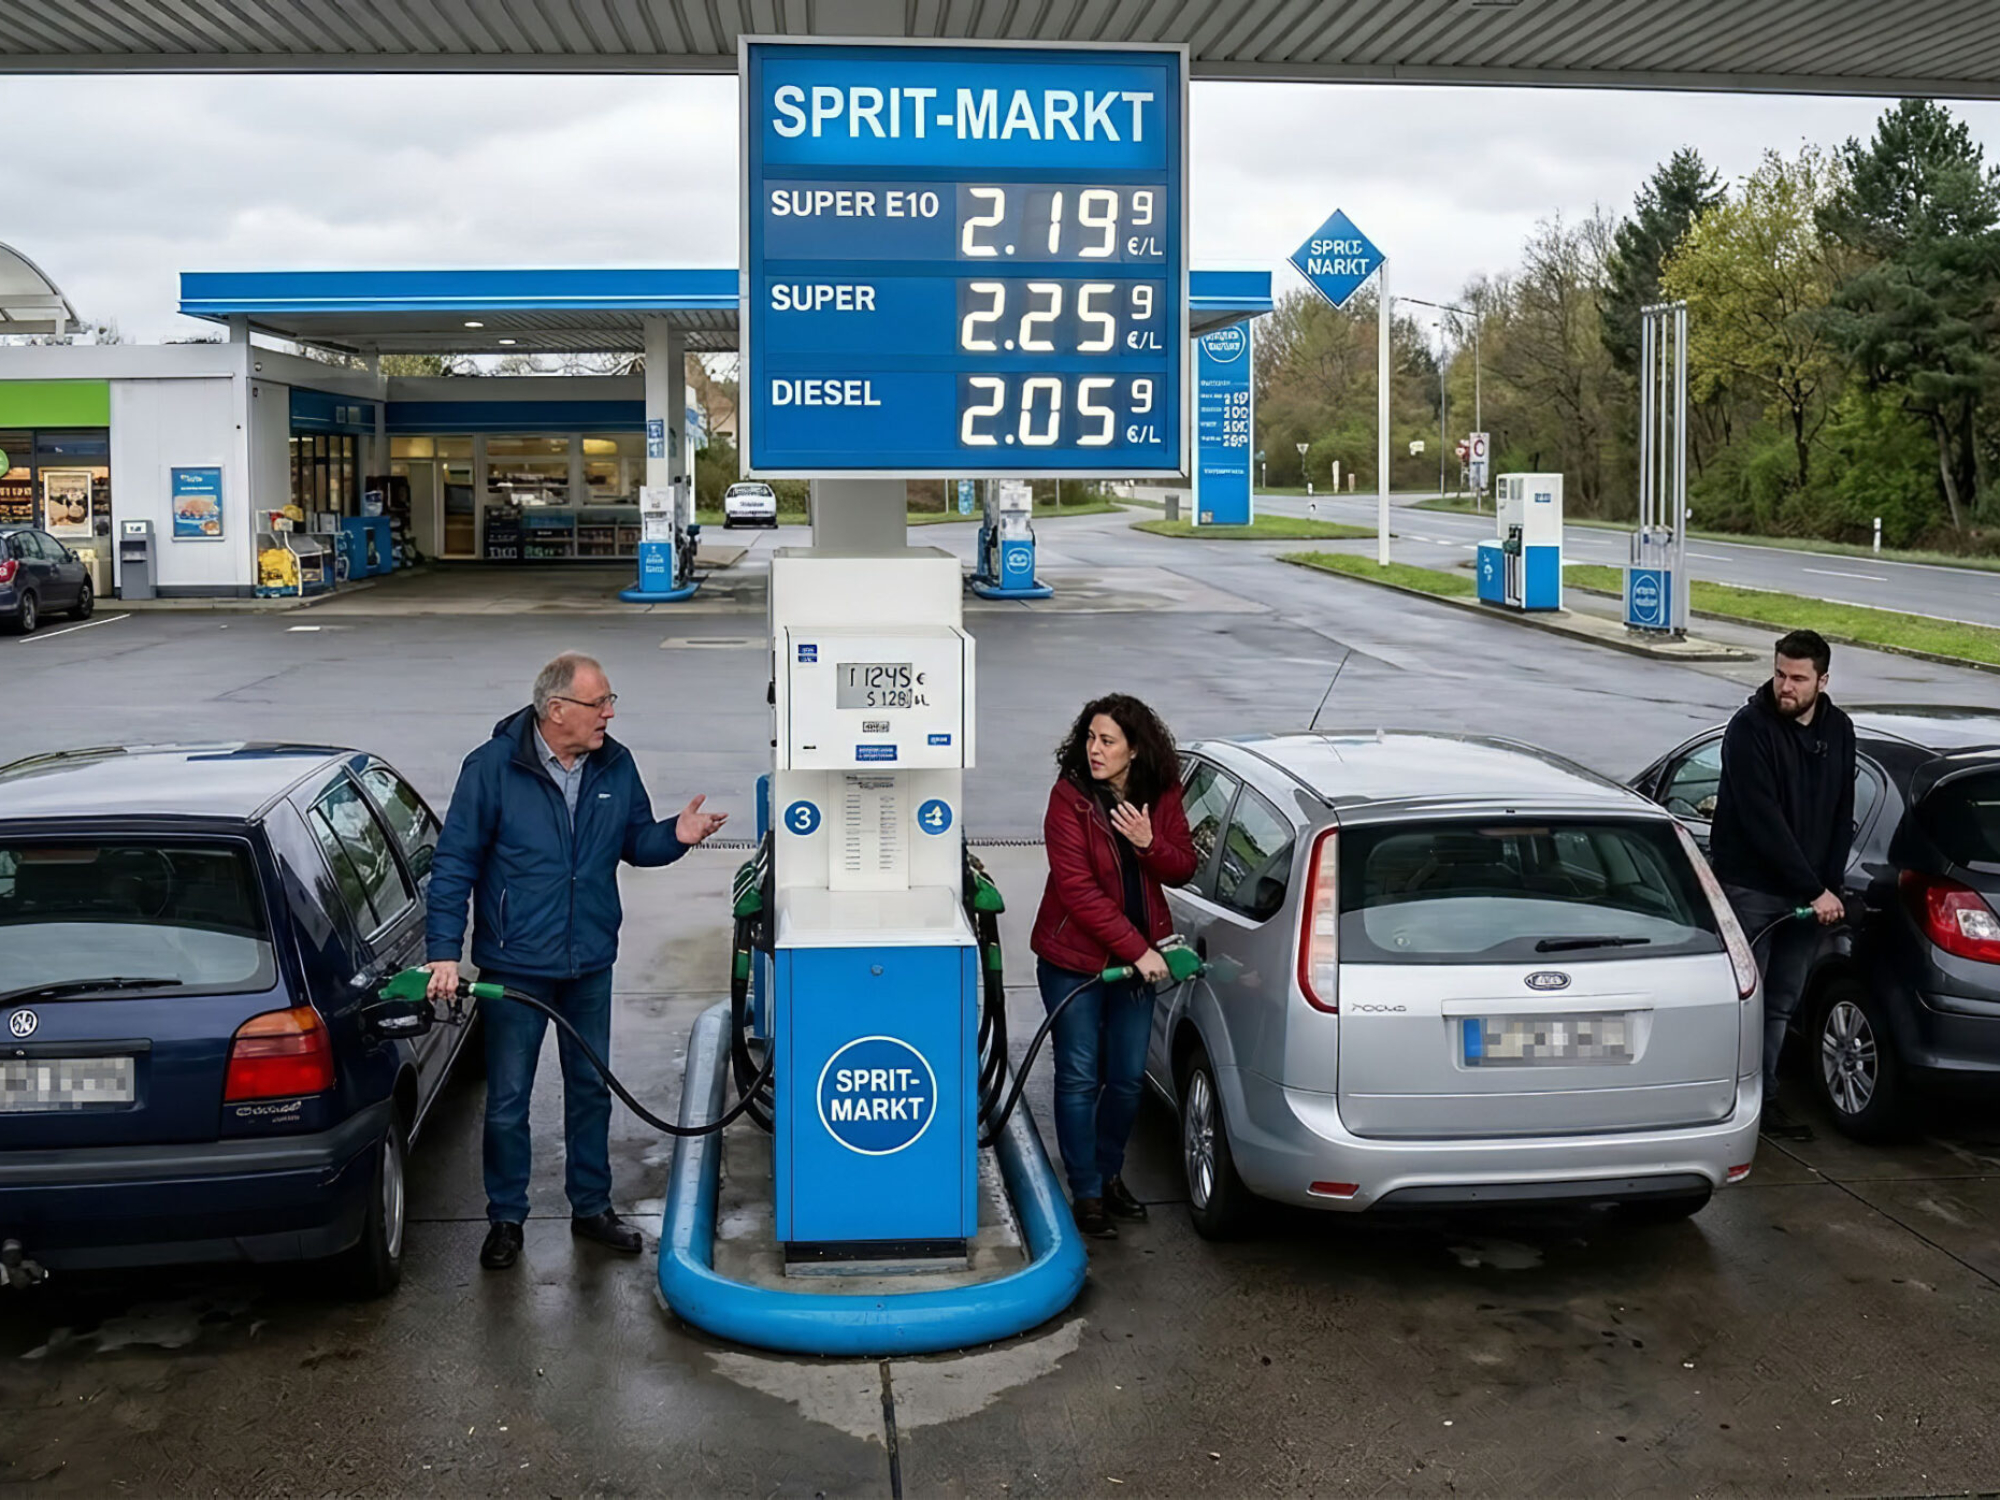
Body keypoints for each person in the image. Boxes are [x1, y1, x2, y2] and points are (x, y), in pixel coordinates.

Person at [424, 652, 728, 1270]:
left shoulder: (615, 763)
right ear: (556, 709)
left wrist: (677, 834)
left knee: (590, 1090)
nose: (610, 715)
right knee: (509, 1099)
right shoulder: (491, 769)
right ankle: (506, 1217)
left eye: (611, 703)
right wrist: (442, 955)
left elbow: (635, 841)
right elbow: (453, 863)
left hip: (589, 960)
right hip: (515, 967)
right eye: (600, 703)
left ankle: (591, 1207)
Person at [1029, 695, 1199, 1239]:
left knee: (1126, 1080)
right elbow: (1078, 892)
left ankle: (1108, 1175)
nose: (1095, 750)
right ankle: (1085, 1193)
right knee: (1079, 1076)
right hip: (1074, 962)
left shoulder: (1161, 793)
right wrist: (1139, 951)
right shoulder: (1070, 798)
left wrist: (1150, 844)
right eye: (1091, 738)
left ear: (1134, 750)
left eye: (1108, 741)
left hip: (1135, 966)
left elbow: (1184, 865)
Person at [1707, 629, 1856, 1141]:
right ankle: (1734, 1104)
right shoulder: (1749, 729)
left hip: (1811, 895)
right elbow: (1761, 819)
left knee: (1782, 1003)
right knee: (1747, 1001)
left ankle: (1766, 1101)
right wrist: (1814, 890)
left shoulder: (1839, 730)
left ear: (1822, 680)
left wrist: (1827, 887)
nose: (1785, 687)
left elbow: (1842, 813)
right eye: (1779, 674)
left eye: (1797, 678)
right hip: (1752, 889)